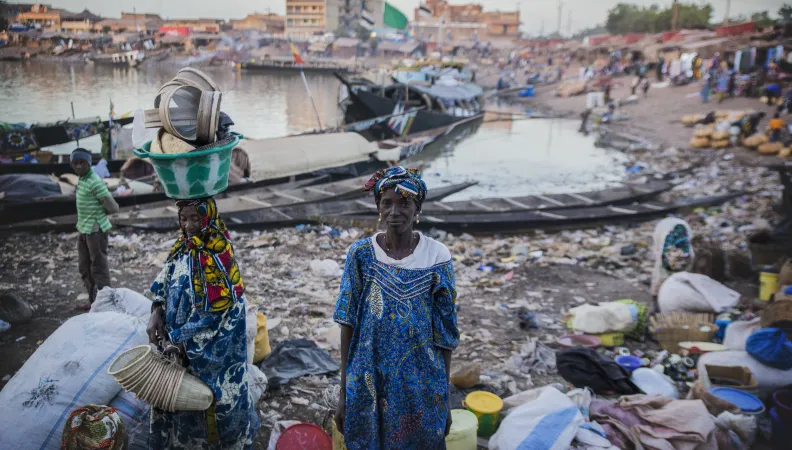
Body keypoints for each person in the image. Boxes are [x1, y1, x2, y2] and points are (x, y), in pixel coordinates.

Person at [334, 167, 459, 450]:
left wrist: (445, 397)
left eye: (405, 203)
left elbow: (446, 333)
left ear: (418, 208)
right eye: (387, 203)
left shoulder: (436, 255)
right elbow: (348, 323)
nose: (395, 211)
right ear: (378, 207)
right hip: (369, 378)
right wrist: (344, 392)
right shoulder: (361, 254)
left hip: (422, 382)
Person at [147, 197, 259, 449]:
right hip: (176, 343)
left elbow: (217, 313)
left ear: (208, 217)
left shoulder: (220, 251)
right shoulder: (181, 247)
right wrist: (156, 311)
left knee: (213, 409)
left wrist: (179, 341)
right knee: (177, 399)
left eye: (195, 218)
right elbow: (164, 281)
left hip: (213, 345)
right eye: (183, 219)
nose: (188, 225)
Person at [71, 148, 119, 307]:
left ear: (88, 163)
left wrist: (99, 214)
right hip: (84, 229)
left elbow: (113, 208)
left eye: (81, 163)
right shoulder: (82, 179)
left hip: (95, 231)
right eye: (75, 163)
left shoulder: (94, 181)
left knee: (98, 268)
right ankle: (94, 303)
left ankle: (107, 304)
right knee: (84, 267)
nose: (78, 166)